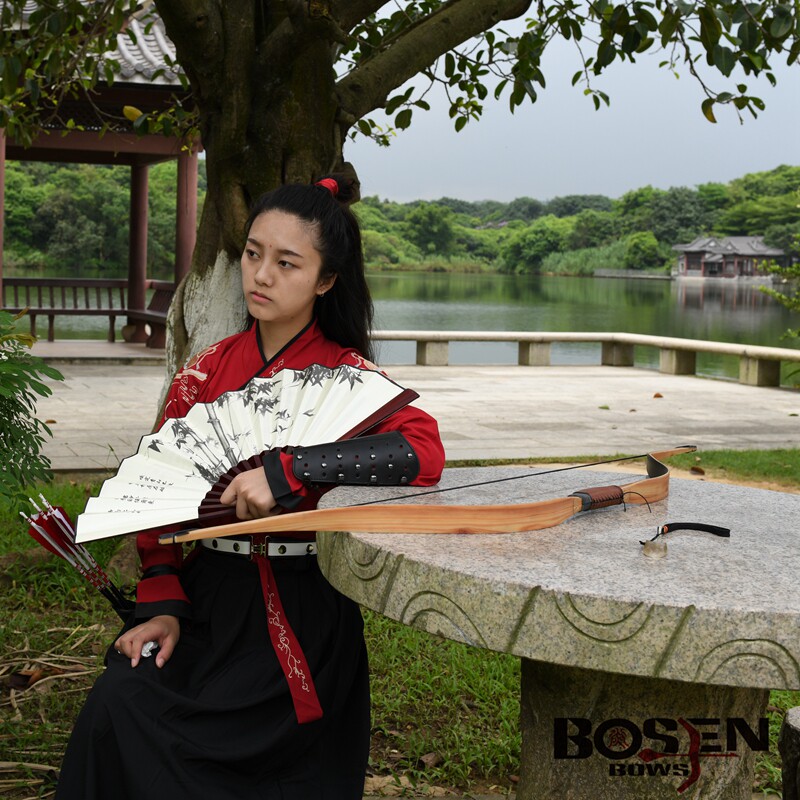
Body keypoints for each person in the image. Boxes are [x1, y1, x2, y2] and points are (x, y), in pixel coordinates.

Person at [56, 175, 446, 800]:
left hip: (304, 610)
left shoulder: (348, 377)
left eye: (287, 263)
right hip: (207, 600)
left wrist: (291, 470)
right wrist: (162, 604)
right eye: (252, 253)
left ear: (325, 280)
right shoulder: (204, 373)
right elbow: (157, 496)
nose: (261, 275)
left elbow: (421, 453)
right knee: (120, 700)